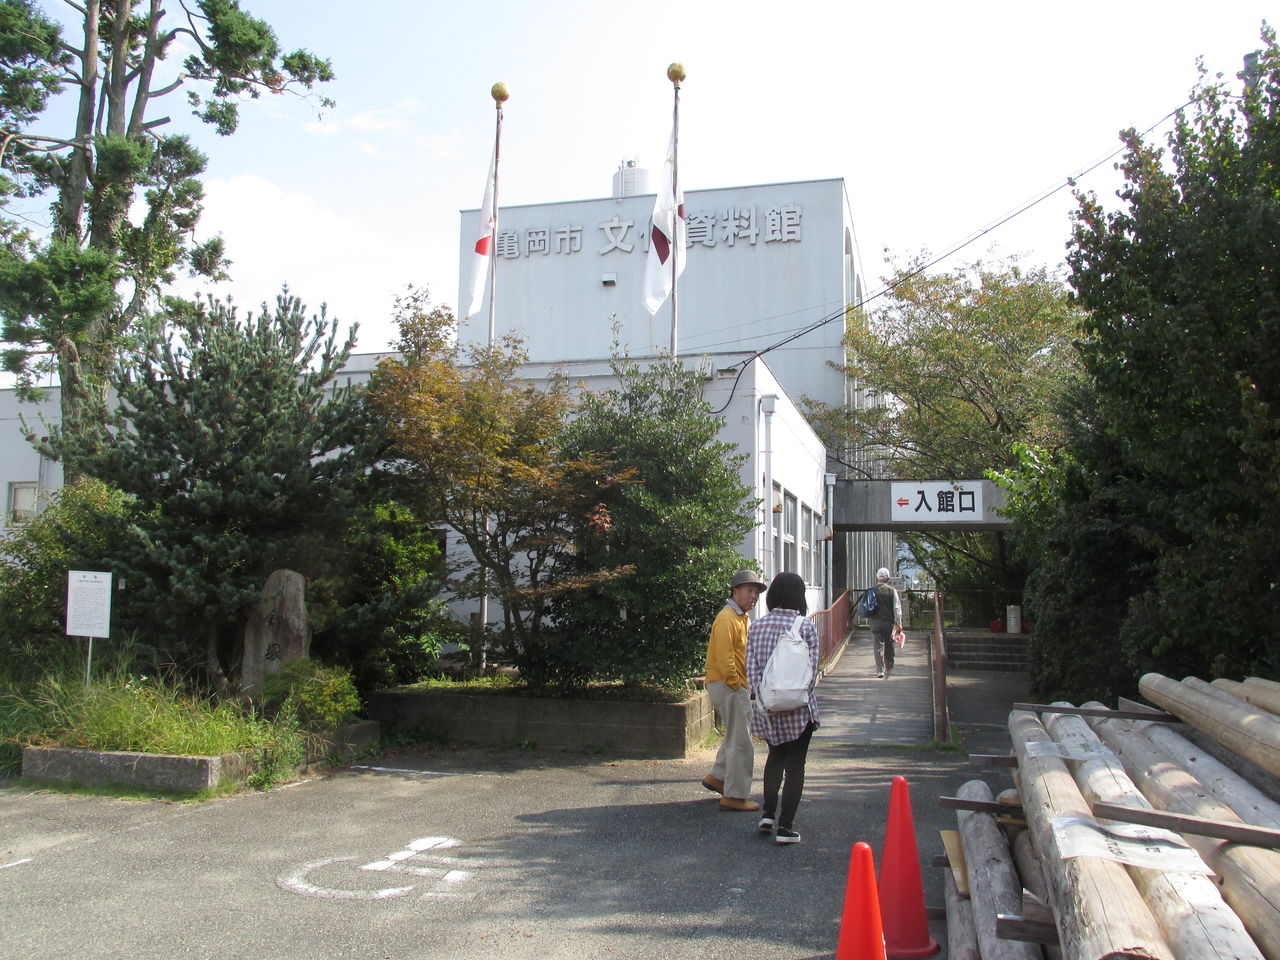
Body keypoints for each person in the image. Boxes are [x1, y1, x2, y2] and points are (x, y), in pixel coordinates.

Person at [747, 571, 821, 844]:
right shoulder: (806, 627)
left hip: (768, 710)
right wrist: (795, 698)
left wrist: (767, 700)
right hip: (800, 711)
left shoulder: (757, 627)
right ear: (799, 596)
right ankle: (786, 828)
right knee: (796, 767)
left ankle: (767, 814)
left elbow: (751, 671)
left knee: (774, 757)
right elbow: (811, 673)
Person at [702, 569, 767, 812]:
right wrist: (738, 684)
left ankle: (718, 777)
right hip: (728, 684)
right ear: (735, 591)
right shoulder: (727, 618)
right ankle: (735, 795)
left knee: (735, 734)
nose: (754, 596)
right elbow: (725, 658)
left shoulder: (740, 617)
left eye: (757, 592)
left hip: (731, 683)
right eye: (749, 591)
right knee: (742, 741)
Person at [868, 566, 902, 679]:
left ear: (877, 578)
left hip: (874, 622)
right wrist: (899, 623)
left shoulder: (871, 590)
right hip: (888, 622)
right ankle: (889, 666)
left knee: (877, 647)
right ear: (887, 579)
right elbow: (896, 608)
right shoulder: (892, 591)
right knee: (889, 644)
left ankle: (879, 671)